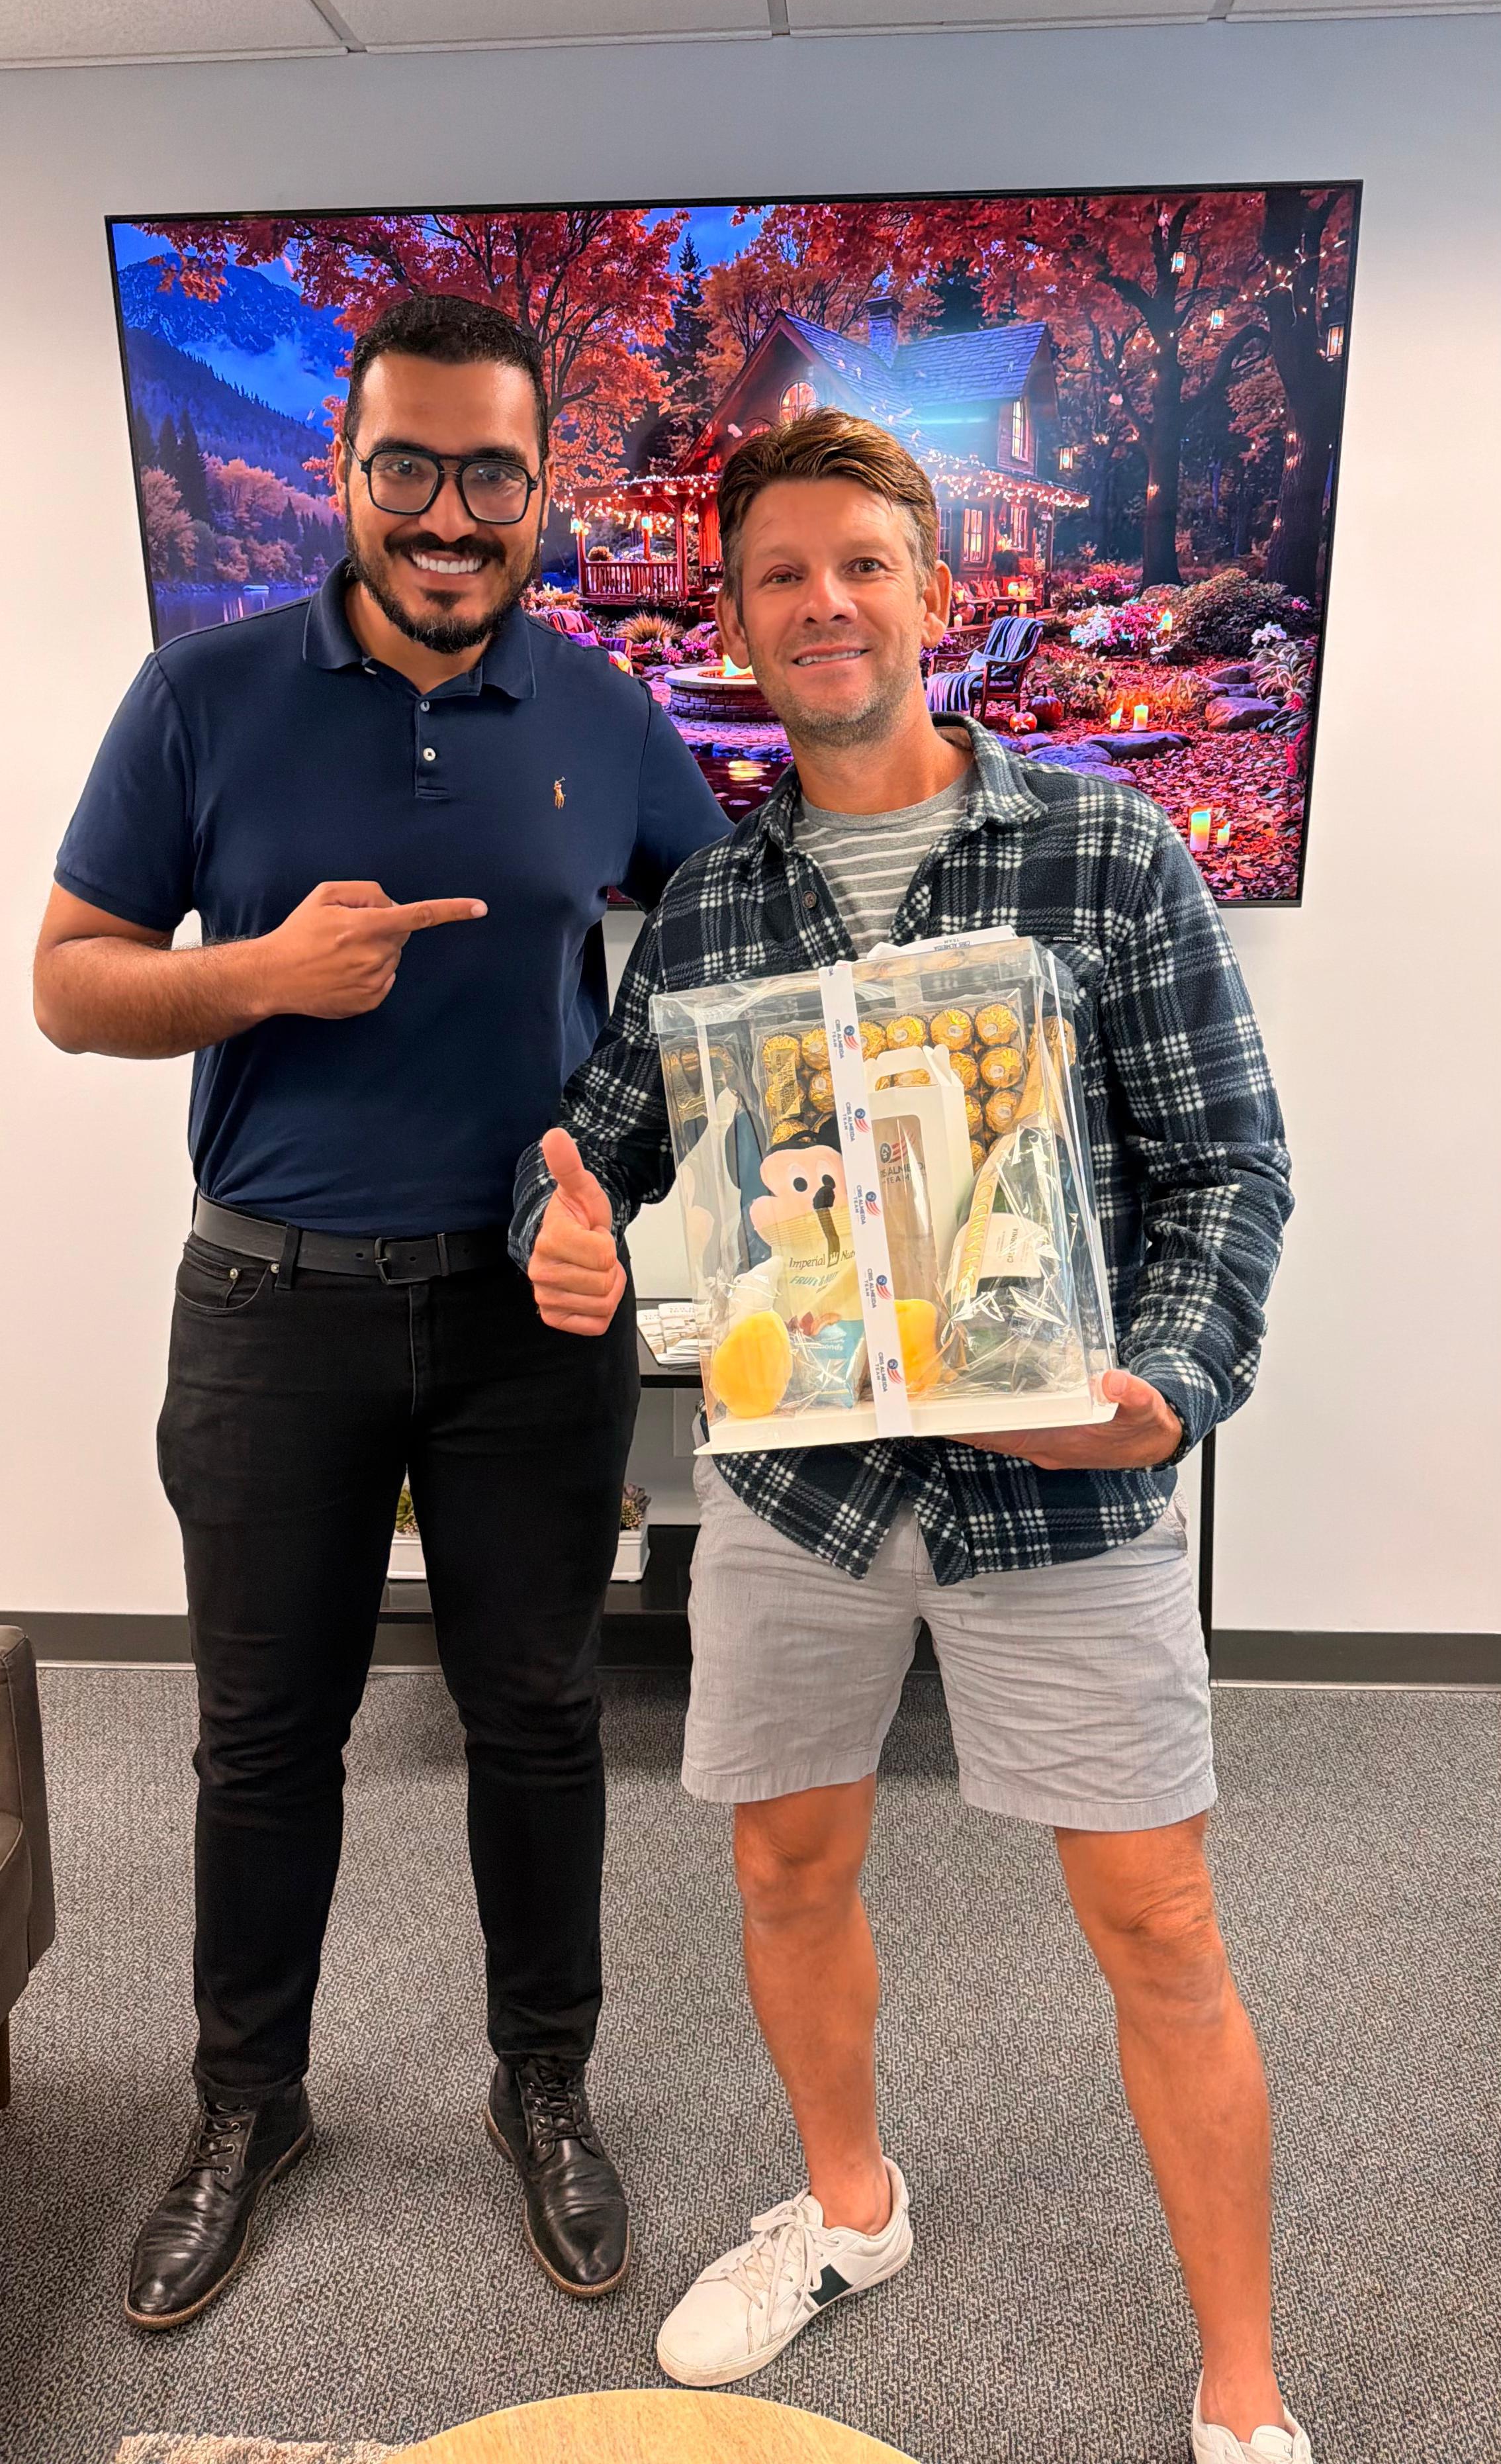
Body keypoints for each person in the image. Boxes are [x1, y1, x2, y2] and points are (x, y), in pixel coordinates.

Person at [517, 410, 1309, 2464]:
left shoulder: (1106, 849)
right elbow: (596, 1145)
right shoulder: (709, 906)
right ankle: (848, 2207)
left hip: (1063, 1479)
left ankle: (1241, 2379)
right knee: (787, 1867)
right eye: (778, 575)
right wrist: (559, 1225)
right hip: (803, 1483)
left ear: (932, 593)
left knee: (1157, 1923)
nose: (822, 604)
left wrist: (1167, 1387)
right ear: (736, 621)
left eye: (860, 564)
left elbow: (1226, 1168)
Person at [34, 293, 725, 2329]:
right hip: (271, 1306)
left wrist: (623, 1173)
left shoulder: (606, 714)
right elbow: (68, 982)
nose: (447, 513)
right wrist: (253, 974)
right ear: (342, 476)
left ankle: (543, 2084)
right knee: (264, 1742)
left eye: (489, 473)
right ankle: (246, 2107)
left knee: (538, 1717)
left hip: (531, 1319)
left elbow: (727, 966)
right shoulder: (201, 695)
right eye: (405, 466)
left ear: (542, 486)